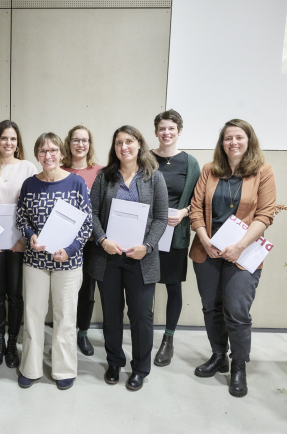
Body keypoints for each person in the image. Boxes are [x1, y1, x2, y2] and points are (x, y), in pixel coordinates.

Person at [190, 119, 276, 398]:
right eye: (228, 138)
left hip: (244, 253)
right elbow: (195, 210)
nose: (233, 143)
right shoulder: (209, 170)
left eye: (239, 137)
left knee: (237, 312)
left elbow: (265, 214)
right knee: (210, 308)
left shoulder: (263, 171)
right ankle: (219, 356)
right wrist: (205, 239)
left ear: (249, 140)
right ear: (222, 143)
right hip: (208, 251)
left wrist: (239, 246)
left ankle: (239, 365)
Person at [89, 125, 168, 391]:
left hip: (141, 259)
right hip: (109, 257)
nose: (124, 147)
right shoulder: (104, 177)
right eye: (119, 143)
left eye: (129, 142)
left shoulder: (154, 177)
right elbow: (93, 215)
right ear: (114, 148)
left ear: (139, 144)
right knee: (111, 314)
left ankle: (140, 368)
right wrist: (102, 241)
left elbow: (160, 218)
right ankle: (114, 362)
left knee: (141, 316)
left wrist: (147, 245)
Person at [16, 132, 92, 391]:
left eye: (52, 150)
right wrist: (30, 235)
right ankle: (31, 368)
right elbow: (21, 219)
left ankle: (64, 369)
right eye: (42, 151)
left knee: (65, 317)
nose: (47, 155)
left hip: (68, 263)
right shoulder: (29, 184)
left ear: (61, 153)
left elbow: (87, 222)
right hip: (35, 260)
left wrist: (70, 250)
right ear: (37, 154)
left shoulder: (76, 183)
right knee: (33, 315)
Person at [0, 120, 38, 368]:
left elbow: (34, 207)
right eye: (4, 138)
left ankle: (13, 343)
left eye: (13, 139)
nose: (8, 143)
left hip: (18, 242)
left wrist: (24, 240)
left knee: (15, 295)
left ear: (18, 142)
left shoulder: (28, 167)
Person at [150, 110, 200, 367]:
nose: (166, 133)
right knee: (142, 286)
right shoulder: (145, 158)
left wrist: (184, 212)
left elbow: (198, 200)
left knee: (172, 287)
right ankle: (143, 335)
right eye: (162, 129)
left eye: (171, 128)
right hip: (147, 234)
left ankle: (168, 339)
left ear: (179, 131)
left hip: (175, 234)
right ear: (156, 132)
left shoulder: (190, 163)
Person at [61, 125, 104, 357]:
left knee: (87, 288)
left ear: (90, 143)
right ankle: (64, 331)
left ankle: (83, 332)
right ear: (69, 143)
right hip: (65, 240)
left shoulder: (101, 171)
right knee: (65, 289)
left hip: (92, 241)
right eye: (76, 140)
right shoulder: (58, 170)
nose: (80, 144)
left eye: (85, 140)